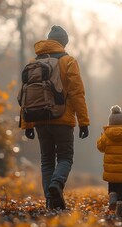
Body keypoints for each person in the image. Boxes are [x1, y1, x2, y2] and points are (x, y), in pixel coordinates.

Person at [20, 25, 90, 210]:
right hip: (62, 119)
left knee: (47, 161)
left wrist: (27, 125)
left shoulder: (33, 63)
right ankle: (57, 184)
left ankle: (51, 203)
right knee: (66, 157)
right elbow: (77, 93)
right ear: (64, 43)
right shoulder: (68, 61)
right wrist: (84, 122)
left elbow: (26, 95)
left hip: (39, 119)